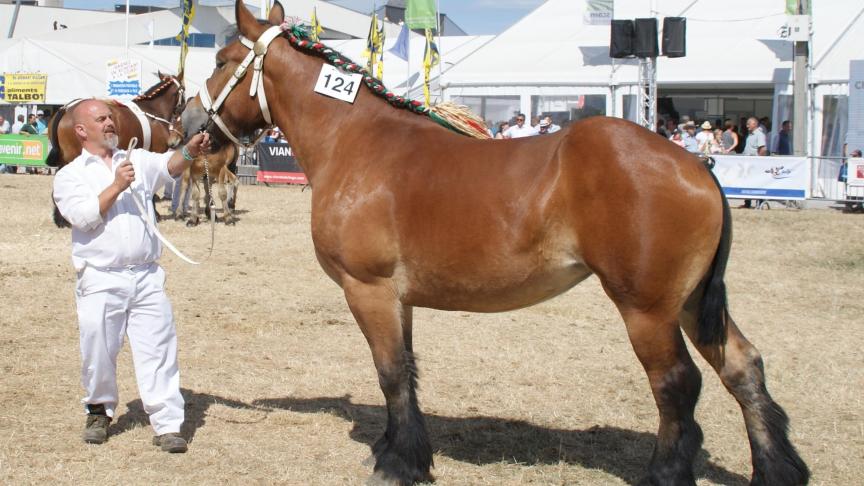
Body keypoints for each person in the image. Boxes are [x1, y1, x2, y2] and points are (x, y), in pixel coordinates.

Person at [52, 99, 212, 453]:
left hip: (146, 276)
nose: (110, 123)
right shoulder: (70, 175)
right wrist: (117, 185)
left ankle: (168, 424)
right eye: (101, 119)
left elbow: (168, 166)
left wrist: (189, 150)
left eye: (111, 118)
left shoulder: (137, 158)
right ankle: (98, 410)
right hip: (99, 277)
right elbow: (82, 216)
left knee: (158, 348)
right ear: (81, 130)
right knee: (98, 350)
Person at [741, 117, 767, 208]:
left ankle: (760, 203)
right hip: (748, 163)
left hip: (755, 163)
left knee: (758, 183)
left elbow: (763, 149)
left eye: (749, 124)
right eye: (747, 123)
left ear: (755, 124)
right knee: (747, 183)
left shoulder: (759, 134)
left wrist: (758, 160)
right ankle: (747, 203)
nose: (747, 125)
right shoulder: (750, 134)